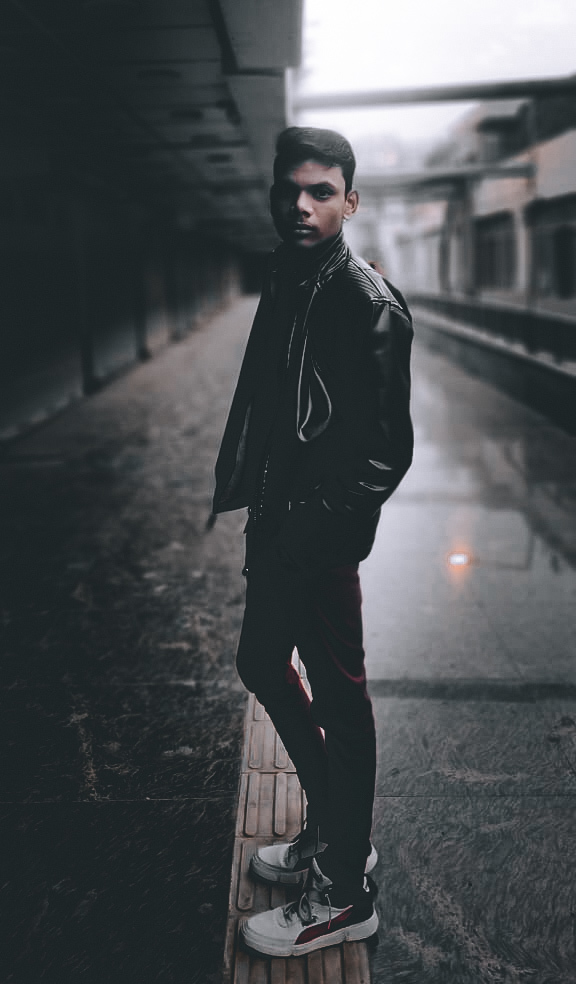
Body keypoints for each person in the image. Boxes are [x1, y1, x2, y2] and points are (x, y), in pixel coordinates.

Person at [212, 126, 414, 957]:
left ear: (349, 202)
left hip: (318, 537)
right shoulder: (291, 277)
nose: (301, 205)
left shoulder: (366, 303)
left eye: (320, 192)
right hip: (280, 521)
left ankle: (344, 893)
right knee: (261, 662)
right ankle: (335, 828)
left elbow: (385, 453)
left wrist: (311, 529)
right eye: (289, 190)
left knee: (339, 701)